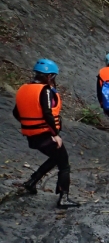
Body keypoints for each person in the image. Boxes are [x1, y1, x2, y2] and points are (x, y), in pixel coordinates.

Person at [13, 59, 81, 209]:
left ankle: (32, 182)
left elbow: (16, 112)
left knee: (56, 157)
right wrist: (55, 134)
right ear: (49, 76)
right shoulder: (45, 90)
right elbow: (48, 114)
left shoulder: (23, 88)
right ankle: (64, 198)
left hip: (32, 135)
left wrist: (29, 123)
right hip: (45, 134)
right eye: (54, 77)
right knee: (64, 164)